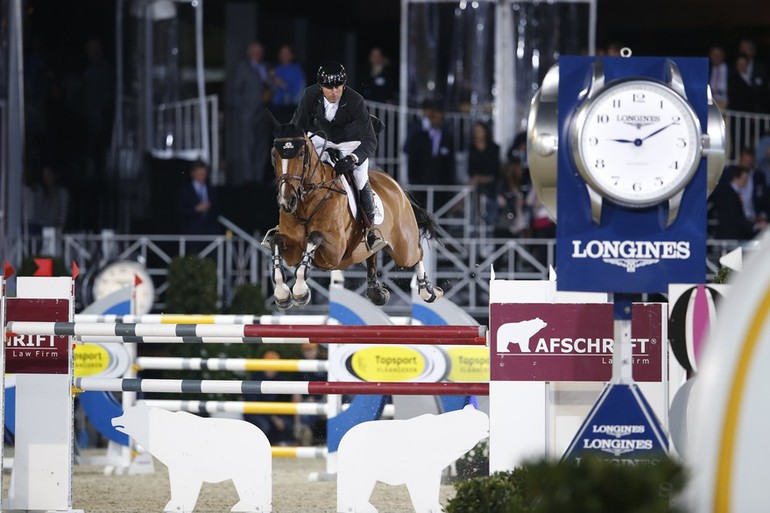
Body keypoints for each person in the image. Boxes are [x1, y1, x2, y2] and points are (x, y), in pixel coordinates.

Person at [290, 61, 387, 253]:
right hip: (320, 138)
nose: (334, 91)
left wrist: (352, 158)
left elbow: (370, 141)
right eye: (329, 87)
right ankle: (286, 222)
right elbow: (298, 126)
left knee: (360, 178)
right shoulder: (310, 94)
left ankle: (371, 230)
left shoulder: (355, 100)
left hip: (350, 142)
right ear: (321, 87)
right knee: (297, 170)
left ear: (344, 85)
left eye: (338, 86)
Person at [232, 42, 272, 185]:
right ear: (249, 53)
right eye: (255, 51)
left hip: (263, 112)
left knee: (262, 146)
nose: (257, 54)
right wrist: (244, 108)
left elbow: (270, 85)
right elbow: (236, 91)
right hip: (248, 112)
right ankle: (248, 178)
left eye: (260, 51)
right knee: (247, 145)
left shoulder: (265, 67)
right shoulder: (243, 67)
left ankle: (258, 177)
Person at [243, 350, 296, 445]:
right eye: (271, 364)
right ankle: (258, 447)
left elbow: (288, 395)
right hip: (257, 413)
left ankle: (284, 444)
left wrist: (296, 393)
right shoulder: (255, 379)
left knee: (288, 423)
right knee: (264, 426)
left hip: (273, 414)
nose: (273, 367)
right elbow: (254, 405)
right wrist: (273, 418)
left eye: (275, 365)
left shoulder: (280, 379)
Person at [715, 166, 768, 239]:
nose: (746, 182)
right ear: (736, 178)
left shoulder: (733, 193)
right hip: (729, 236)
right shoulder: (729, 195)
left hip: (734, 234)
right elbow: (736, 217)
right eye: (744, 179)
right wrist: (755, 226)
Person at [467, 121, 501, 225]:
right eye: (475, 131)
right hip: (476, 180)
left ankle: (455, 210)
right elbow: (470, 168)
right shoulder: (471, 148)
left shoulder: (494, 148)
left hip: (491, 181)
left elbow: (496, 169)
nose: (477, 133)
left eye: (479, 131)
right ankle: (473, 220)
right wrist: (477, 177)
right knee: (471, 188)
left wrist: (484, 178)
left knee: (472, 188)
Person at [178, 160, 220, 236]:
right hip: (193, 232)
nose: (203, 176)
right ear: (193, 174)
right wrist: (196, 209)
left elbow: (217, 209)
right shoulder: (186, 191)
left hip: (210, 232)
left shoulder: (212, 189)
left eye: (204, 174)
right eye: (200, 174)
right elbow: (181, 211)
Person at [269, 45, 306, 123]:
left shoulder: (297, 70)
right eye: (282, 53)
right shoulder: (275, 69)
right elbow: (270, 89)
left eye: (287, 53)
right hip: (276, 107)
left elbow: (299, 90)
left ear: (292, 56)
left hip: (291, 107)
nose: (284, 56)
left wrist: (283, 84)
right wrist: (271, 80)